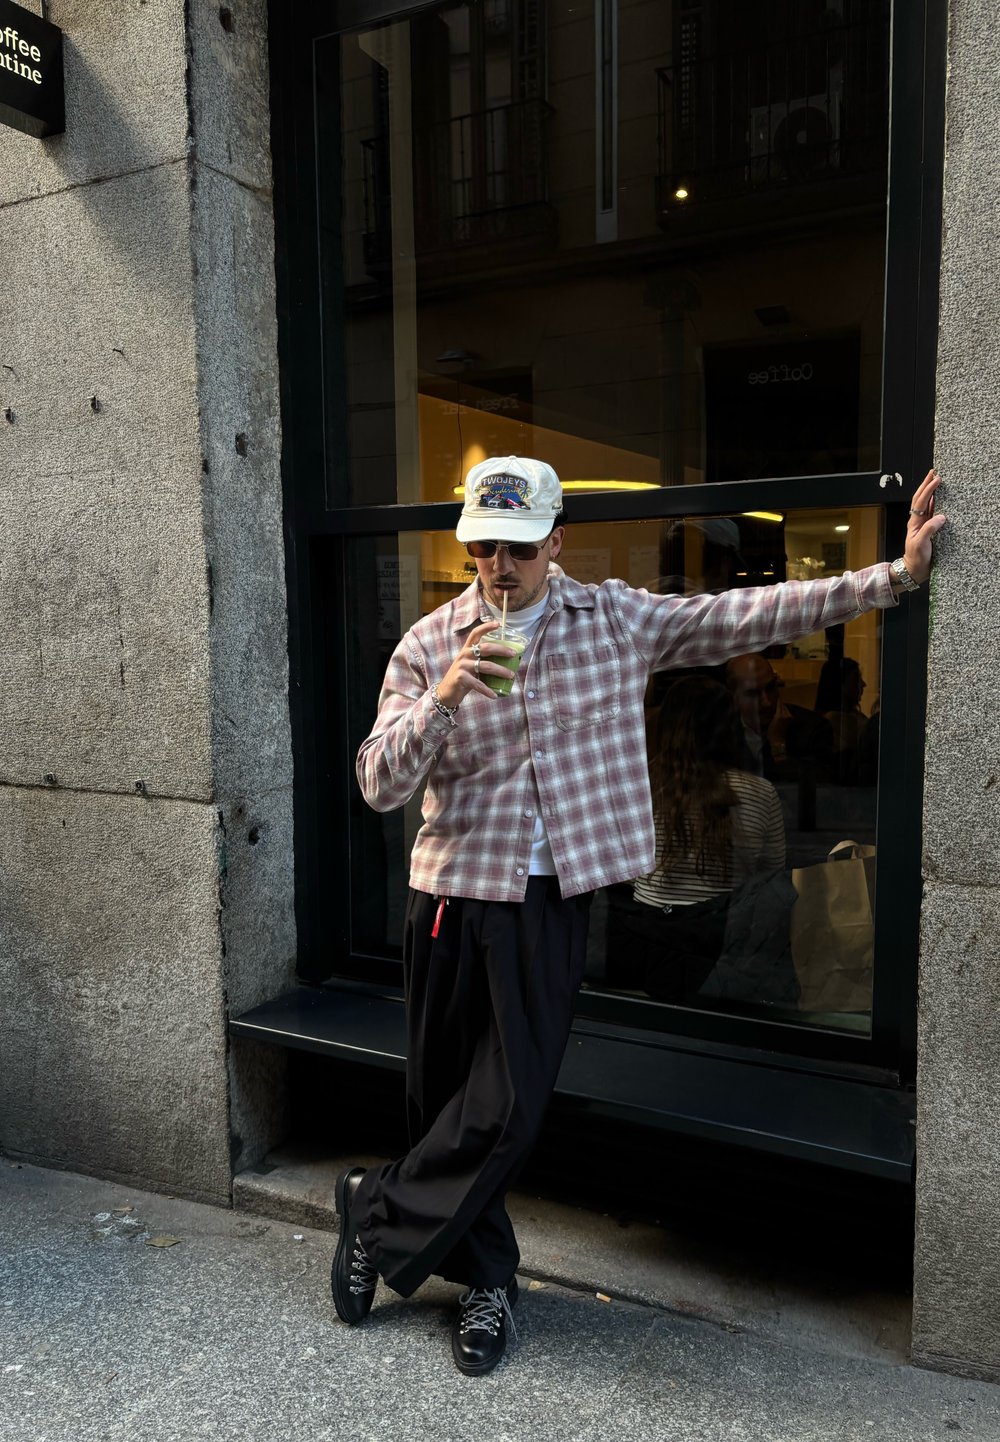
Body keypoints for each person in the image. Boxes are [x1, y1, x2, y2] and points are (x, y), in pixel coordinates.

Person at [333, 457, 945, 1376]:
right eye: (486, 548)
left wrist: (891, 578)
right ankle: (486, 1280)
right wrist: (445, 699)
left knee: (508, 1111)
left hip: (546, 903)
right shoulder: (429, 643)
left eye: (520, 548)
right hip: (450, 897)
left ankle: (371, 1210)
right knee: (446, 1105)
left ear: (557, 542)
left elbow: (744, 615)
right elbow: (378, 783)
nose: (501, 567)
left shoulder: (612, 619)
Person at [627, 676, 788, 1005]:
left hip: (646, 940)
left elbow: (623, 869)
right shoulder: (760, 793)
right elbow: (771, 874)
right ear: (731, 727)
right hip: (725, 942)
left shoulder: (639, 790)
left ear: (666, 725)